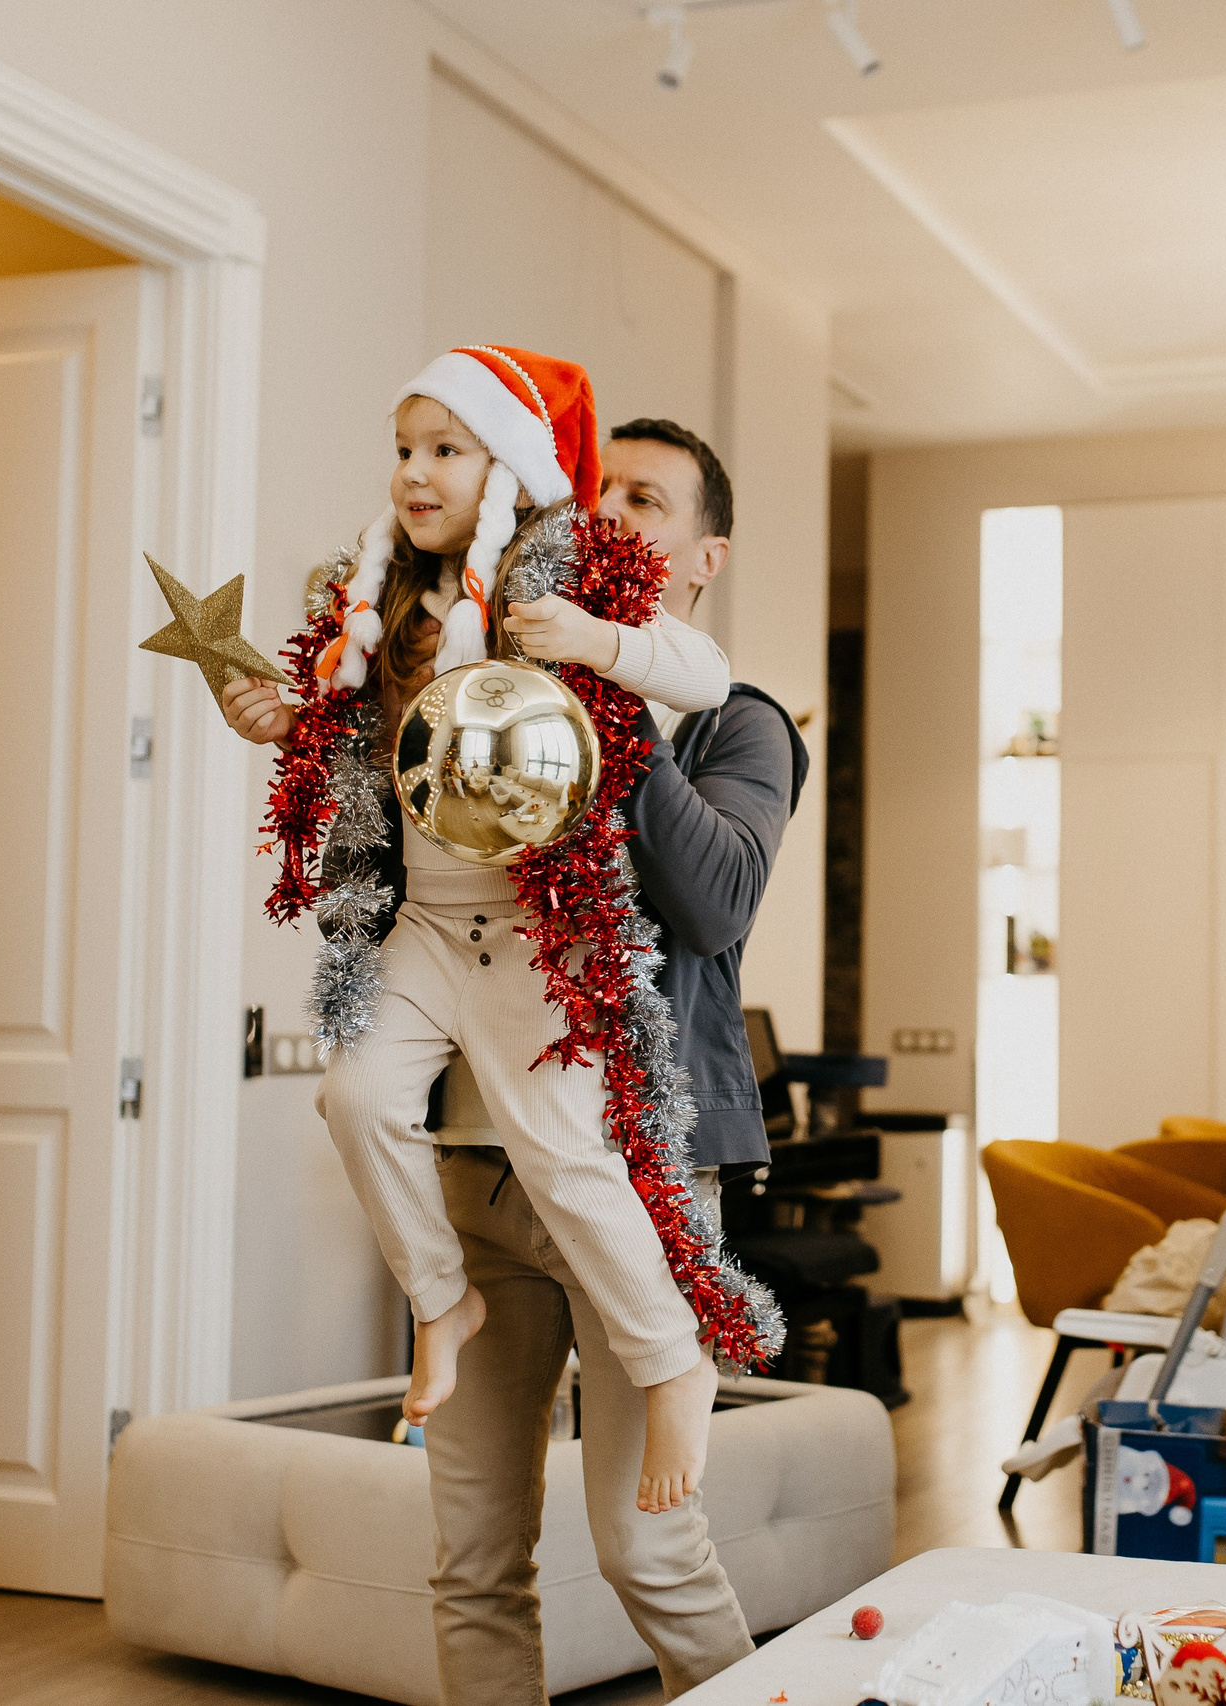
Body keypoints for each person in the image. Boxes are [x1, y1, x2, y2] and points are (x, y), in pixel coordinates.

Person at [218, 347, 756, 1517]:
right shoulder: (377, 595)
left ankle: (672, 1359)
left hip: (524, 927)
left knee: (566, 1151)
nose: (414, 472)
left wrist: (591, 640)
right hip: (419, 917)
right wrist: (271, 715)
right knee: (353, 1098)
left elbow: (703, 672)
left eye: (444, 450)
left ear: (506, 463)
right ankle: (440, 1298)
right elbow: (334, 741)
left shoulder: (563, 574)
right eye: (402, 449)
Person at [421, 415, 806, 1704]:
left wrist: (612, 709)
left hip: (644, 1172)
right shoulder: (490, 689)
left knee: (648, 1539)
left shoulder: (742, 725)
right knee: (473, 1554)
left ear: (705, 557)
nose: (607, 513)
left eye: (645, 500)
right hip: (473, 1164)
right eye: (594, 493)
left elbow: (713, 904)